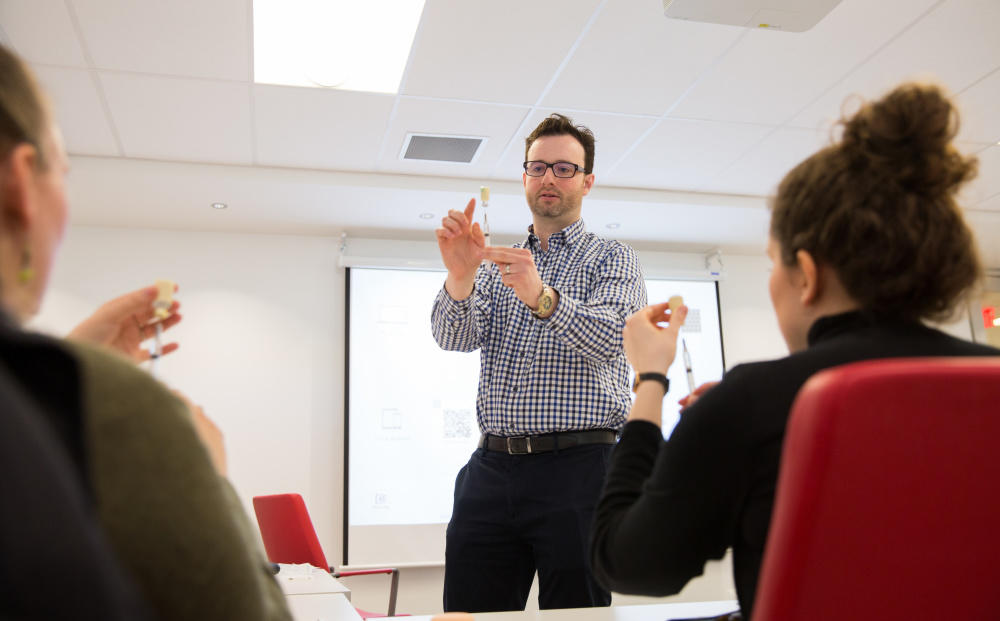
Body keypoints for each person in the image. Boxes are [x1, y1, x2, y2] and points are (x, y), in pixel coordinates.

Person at [590, 82, 1000, 620]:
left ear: (806, 275)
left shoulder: (754, 401)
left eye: (771, 263)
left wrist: (650, 380)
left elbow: (628, 562)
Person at [0, 44, 291, 621]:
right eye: (63, 171)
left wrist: (70, 362)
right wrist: (205, 470)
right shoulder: (131, 413)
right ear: (20, 186)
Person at [432, 113, 647, 612]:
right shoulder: (495, 260)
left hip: (579, 470)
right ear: (524, 177)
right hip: (491, 468)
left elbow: (611, 338)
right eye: (538, 167)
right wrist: (461, 277)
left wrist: (540, 295)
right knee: (468, 613)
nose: (549, 177)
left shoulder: (612, 259)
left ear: (587, 181)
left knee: (576, 614)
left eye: (565, 168)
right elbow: (452, 337)